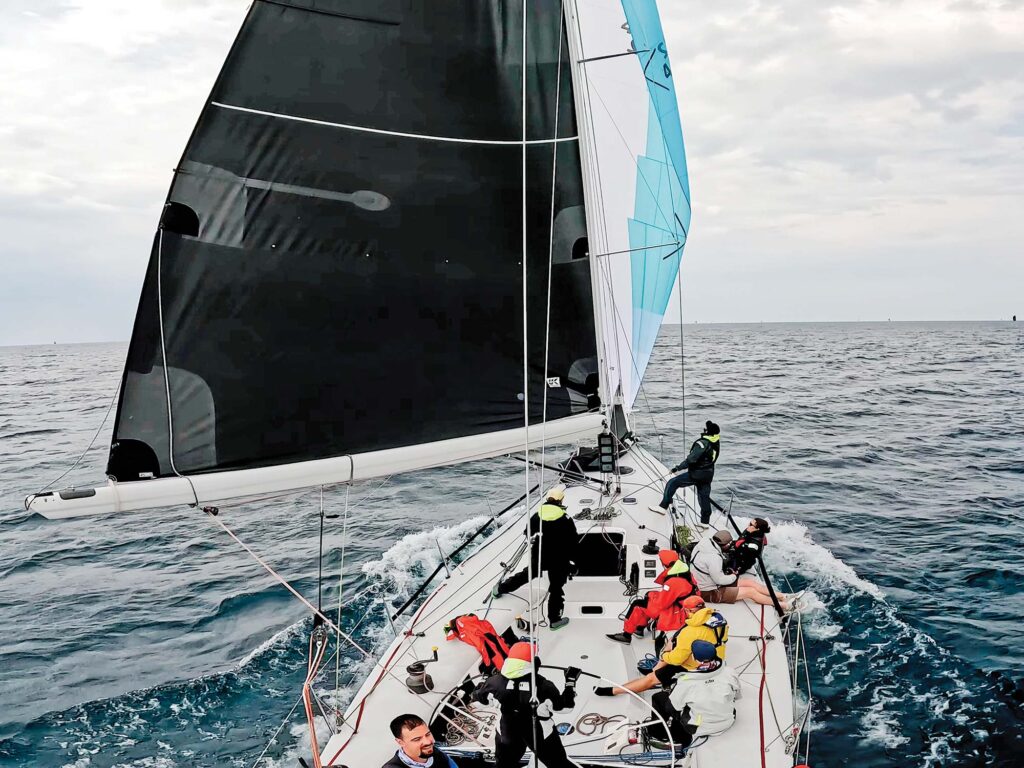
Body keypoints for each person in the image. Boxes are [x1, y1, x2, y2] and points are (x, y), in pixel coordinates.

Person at [472, 641, 579, 768]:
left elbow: (477, 702)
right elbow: (565, 708)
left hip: (507, 731)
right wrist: (570, 683)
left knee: (504, 765)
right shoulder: (544, 686)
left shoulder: (493, 683)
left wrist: (483, 682)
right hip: (540, 733)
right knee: (558, 763)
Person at [595, 596, 728, 697]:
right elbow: (724, 639)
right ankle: (655, 671)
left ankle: (614, 690)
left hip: (695, 667)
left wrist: (665, 653)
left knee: (652, 677)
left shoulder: (690, 632)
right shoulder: (719, 620)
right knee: (670, 649)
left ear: (688, 610)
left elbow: (676, 659)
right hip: (718, 661)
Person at [492, 487, 577, 630]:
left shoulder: (537, 515)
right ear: (560, 500)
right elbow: (573, 541)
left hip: (539, 555)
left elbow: (527, 532)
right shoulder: (565, 518)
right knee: (556, 588)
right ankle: (555, 620)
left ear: (548, 500)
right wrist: (574, 563)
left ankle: (499, 589)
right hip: (559, 559)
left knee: (527, 574)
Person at [649, 640, 741, 747]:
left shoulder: (686, 682)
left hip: (699, 727)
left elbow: (673, 708)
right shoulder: (730, 672)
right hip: (728, 720)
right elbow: (737, 695)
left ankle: (661, 733)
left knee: (659, 698)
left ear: (694, 658)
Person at [606, 550, 698, 644]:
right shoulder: (684, 573)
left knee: (637, 604)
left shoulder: (673, 581)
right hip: (683, 609)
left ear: (664, 563)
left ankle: (626, 635)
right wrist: (651, 595)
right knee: (647, 600)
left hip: (677, 614)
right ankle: (639, 629)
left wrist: (650, 595)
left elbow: (661, 604)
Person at [691, 529, 788, 610]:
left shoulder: (703, 544)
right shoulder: (714, 558)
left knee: (750, 583)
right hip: (708, 592)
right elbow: (719, 579)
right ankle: (783, 605)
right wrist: (734, 576)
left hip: (707, 582)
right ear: (726, 544)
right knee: (750, 592)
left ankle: (783, 596)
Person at [649, 421, 720, 524]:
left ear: (708, 432)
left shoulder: (702, 443)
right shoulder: (716, 442)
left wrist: (677, 468)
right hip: (707, 475)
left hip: (696, 475)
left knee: (672, 482)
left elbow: (691, 460)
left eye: (706, 430)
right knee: (704, 498)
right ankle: (705, 523)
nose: (704, 430)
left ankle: (663, 507)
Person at [383, 714, 459, 768]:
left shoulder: (438, 753)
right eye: (417, 739)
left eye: (428, 734)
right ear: (400, 742)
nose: (428, 742)